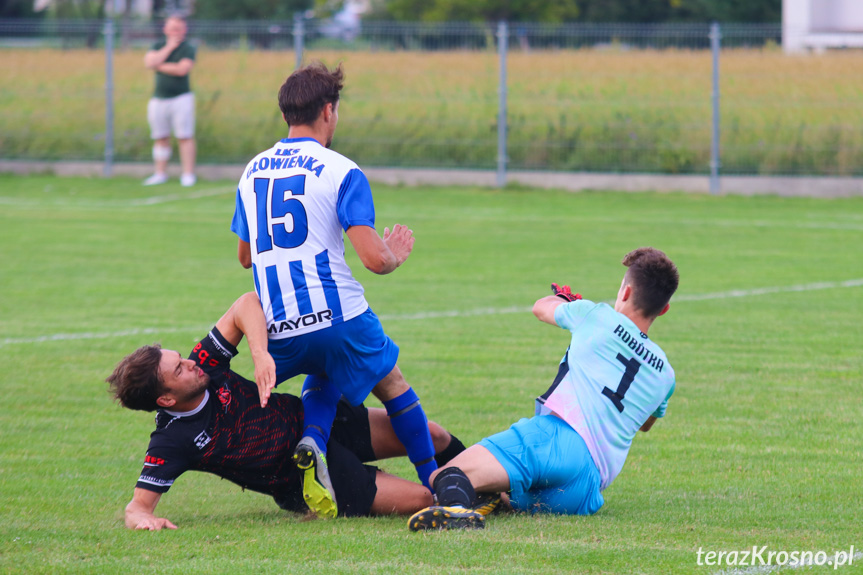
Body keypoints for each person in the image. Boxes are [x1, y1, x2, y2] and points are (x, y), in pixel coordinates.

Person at [230, 62, 438, 518]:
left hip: (278, 323)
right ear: (329, 110)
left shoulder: (252, 172)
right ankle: (436, 483)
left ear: (287, 114)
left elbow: (245, 257)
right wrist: (395, 254)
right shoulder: (341, 170)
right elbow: (374, 260)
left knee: (323, 370)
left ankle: (313, 440)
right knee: (393, 384)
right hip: (337, 313)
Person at [108, 293, 468, 530]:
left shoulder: (206, 364)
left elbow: (246, 303)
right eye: (179, 370)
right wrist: (142, 519)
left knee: (432, 434)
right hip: (306, 479)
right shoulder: (172, 440)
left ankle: (493, 485)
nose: (190, 363)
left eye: (181, 358)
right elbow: (136, 507)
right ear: (166, 400)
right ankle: (462, 502)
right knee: (420, 498)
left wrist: (260, 352)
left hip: (319, 423)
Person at [408, 247, 680, 531]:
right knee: (505, 492)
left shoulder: (595, 315)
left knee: (447, 475)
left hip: (555, 442)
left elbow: (541, 308)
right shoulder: (666, 375)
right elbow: (645, 423)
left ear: (624, 292)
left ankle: (455, 511)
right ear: (664, 309)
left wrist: (563, 299)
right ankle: (492, 497)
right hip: (585, 490)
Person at [142, 15, 197, 187]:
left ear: (185, 30)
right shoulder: (158, 45)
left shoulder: (188, 48)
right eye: (173, 28)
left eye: (179, 29)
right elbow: (149, 61)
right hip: (159, 99)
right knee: (160, 136)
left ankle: (188, 174)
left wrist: (159, 65)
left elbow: (182, 69)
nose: (176, 32)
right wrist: (168, 48)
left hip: (181, 98)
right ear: (165, 29)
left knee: (185, 136)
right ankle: (160, 173)